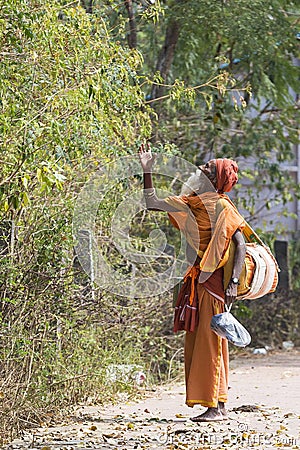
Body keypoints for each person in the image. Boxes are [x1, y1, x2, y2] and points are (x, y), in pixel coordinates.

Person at [138, 142, 246, 422]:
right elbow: (152, 203)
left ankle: (215, 406)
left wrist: (233, 281)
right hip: (199, 280)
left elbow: (239, 242)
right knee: (204, 341)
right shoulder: (189, 204)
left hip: (215, 283)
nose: (199, 168)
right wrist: (147, 170)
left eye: (207, 168)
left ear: (214, 179)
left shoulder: (222, 206)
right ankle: (218, 404)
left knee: (211, 342)